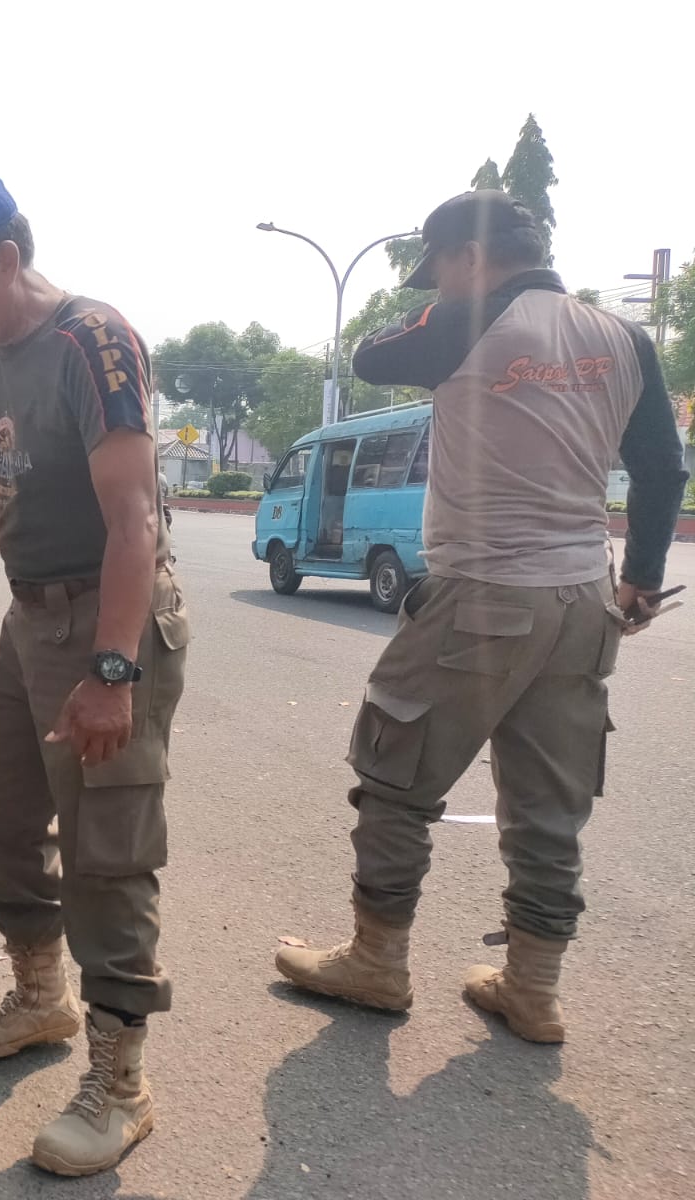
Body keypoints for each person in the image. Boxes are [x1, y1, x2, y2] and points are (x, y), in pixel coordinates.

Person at [273, 190, 688, 1043]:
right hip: (583, 601)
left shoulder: (464, 323)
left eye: (443, 268)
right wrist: (640, 582)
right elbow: (661, 470)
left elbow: (367, 355)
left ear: (467, 257)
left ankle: (377, 962)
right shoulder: (624, 338)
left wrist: (453, 303)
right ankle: (533, 992)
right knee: (547, 809)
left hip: (482, 595)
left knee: (395, 778)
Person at [0, 177, 190, 1176]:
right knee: (2, 809)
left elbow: (134, 520)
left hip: (107, 615)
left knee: (107, 849)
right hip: (30, 616)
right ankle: (40, 997)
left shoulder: (92, 343)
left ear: (4, 257)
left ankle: (121, 1083)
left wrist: (112, 670)